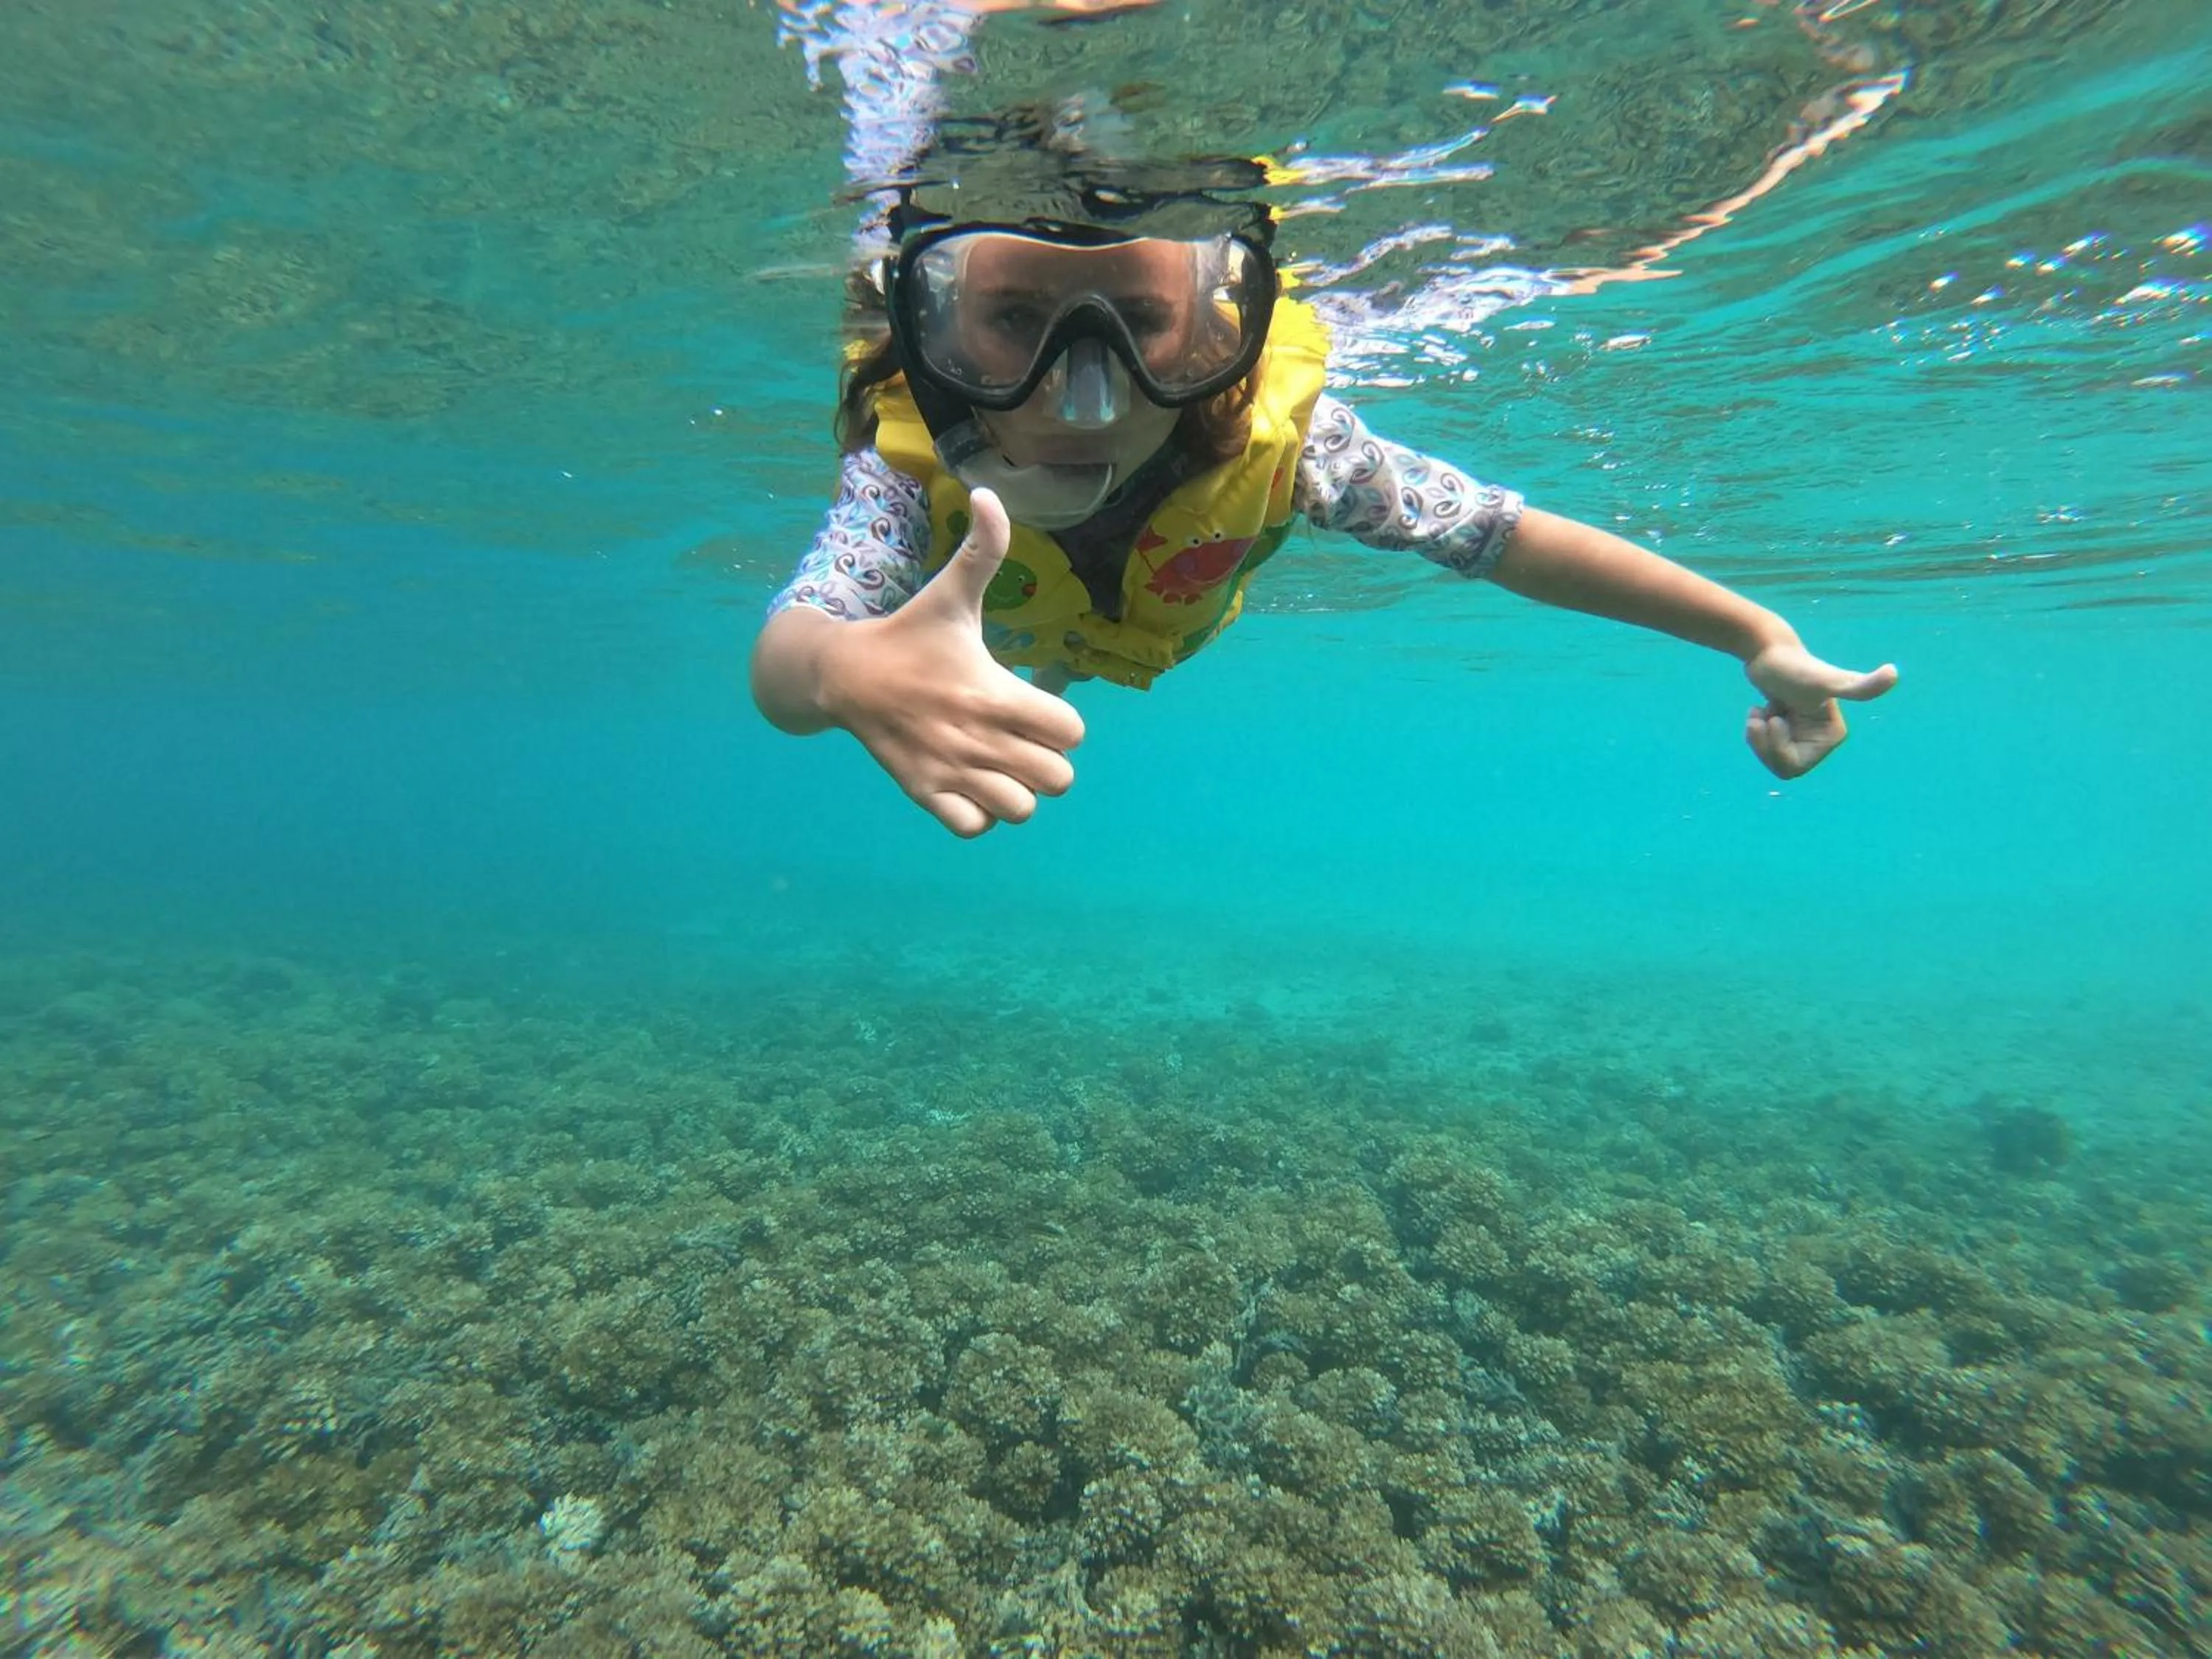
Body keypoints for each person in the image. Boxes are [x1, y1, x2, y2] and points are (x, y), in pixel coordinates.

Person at [750, 114, 1899, 839]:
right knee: (1033, 663)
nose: (1078, 392)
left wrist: (1752, 630)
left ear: (1226, 331)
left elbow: (1503, 536)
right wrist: (850, 671)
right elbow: (792, 653)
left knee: (1054, 667)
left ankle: (1049, 662)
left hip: (1127, 623)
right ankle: (1038, 661)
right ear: (926, 320)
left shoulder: (1294, 444)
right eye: (1010, 318)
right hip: (995, 625)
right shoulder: (905, 473)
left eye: (1145, 324)